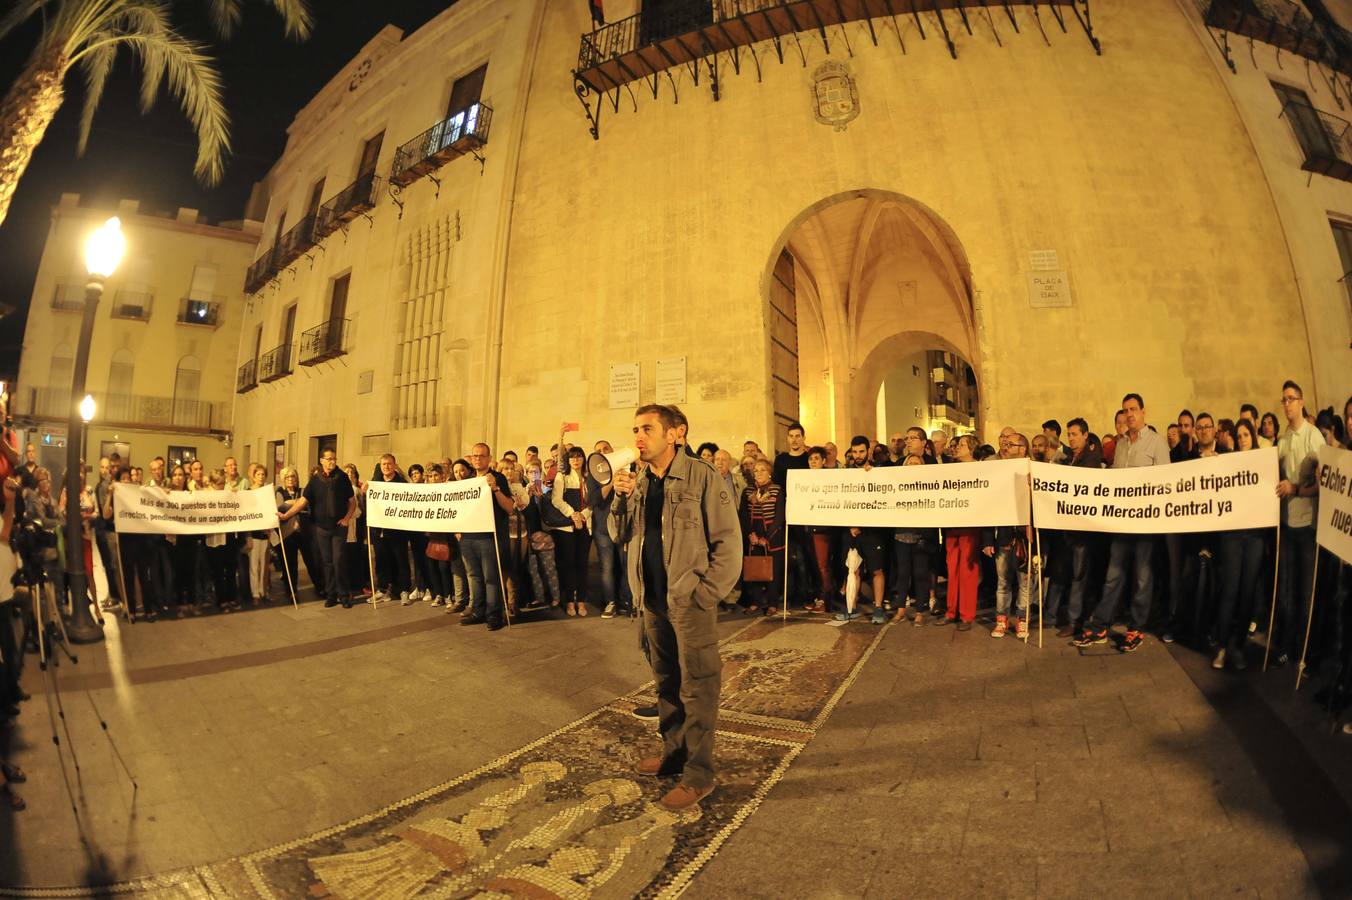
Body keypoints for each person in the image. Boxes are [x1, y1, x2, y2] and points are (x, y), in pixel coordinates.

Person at [610, 404, 741, 812]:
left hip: (689, 603)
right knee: (666, 682)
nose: (638, 437)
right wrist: (619, 499)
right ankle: (674, 754)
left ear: (676, 434)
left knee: (698, 686)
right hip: (653, 600)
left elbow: (729, 545)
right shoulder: (641, 482)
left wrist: (704, 596)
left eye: (647, 428)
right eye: (635, 429)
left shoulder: (703, 477)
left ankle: (699, 774)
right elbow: (618, 534)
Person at [1075, 393, 1170, 653]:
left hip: (1145, 525)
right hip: (1121, 525)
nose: (1129, 415)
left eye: (1133, 409)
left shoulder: (1157, 442)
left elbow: (1166, 482)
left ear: (1143, 412)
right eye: (1125, 410)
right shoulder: (1122, 445)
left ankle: (1136, 628)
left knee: (1141, 578)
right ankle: (1100, 627)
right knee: (1113, 576)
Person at [1274, 380, 1322, 667]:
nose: (1287, 404)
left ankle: (1306, 650)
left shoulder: (1313, 436)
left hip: (1307, 524)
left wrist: (1295, 489)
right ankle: (1289, 644)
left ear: (1301, 402)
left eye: (1291, 399)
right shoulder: (1283, 439)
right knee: (1287, 589)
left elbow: (1322, 485)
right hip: (1287, 522)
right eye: (1283, 400)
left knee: (1306, 592)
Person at [1213, 418, 1264, 671]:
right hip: (1232, 536)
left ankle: (1239, 647)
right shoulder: (1228, 462)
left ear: (1252, 437)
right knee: (1230, 591)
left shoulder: (1262, 463)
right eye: (1239, 435)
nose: (1243, 438)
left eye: (1247, 434)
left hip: (1254, 536)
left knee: (1247, 592)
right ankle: (1222, 646)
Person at [1045, 419, 1103, 636]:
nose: (1071, 438)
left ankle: (1074, 620)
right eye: (1069, 434)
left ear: (1085, 435)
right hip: (1067, 529)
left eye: (1075, 434)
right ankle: (1051, 616)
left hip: (1081, 530)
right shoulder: (1070, 459)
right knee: (1061, 573)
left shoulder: (1091, 459)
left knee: (1078, 576)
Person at [459, 443, 515, 631]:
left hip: (489, 537)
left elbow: (509, 507)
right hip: (468, 536)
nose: (477, 459)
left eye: (482, 456)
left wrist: (496, 488)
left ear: (489, 458)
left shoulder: (498, 478)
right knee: (474, 575)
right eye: (474, 456)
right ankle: (477, 611)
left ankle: (494, 614)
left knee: (491, 577)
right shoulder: (465, 480)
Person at [984, 432, 1031, 639]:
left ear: (1022, 448)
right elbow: (988, 504)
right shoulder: (998, 472)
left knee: (1025, 582)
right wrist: (987, 539)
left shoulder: (1034, 470)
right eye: (1005, 443)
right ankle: (1001, 620)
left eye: (1011, 444)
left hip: (1025, 537)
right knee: (1003, 582)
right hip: (1003, 536)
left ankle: (1022, 620)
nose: (1006, 446)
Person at [303, 450, 356, 608]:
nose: (332, 461)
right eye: (329, 459)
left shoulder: (342, 477)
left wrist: (346, 518)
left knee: (339, 560)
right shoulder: (315, 480)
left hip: (339, 527)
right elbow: (303, 500)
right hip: (322, 528)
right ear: (322, 461)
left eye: (334, 458)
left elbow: (352, 502)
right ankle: (331, 594)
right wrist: (286, 515)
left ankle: (344, 595)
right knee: (327, 562)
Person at [939, 434, 982, 631]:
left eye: (962, 445)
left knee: (967, 570)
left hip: (970, 525)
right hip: (952, 524)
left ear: (971, 448)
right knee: (952, 567)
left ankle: (966, 614)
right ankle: (951, 610)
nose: (958, 448)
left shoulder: (979, 469)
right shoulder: (951, 468)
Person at [894, 452, 938, 626]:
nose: (913, 466)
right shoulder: (897, 485)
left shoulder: (929, 485)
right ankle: (900, 610)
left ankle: (920, 611)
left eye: (917, 463)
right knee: (903, 574)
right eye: (910, 463)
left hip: (922, 536)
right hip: (901, 534)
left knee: (920, 574)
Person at [739, 459, 785, 616]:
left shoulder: (777, 490)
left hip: (773, 536)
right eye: (756, 470)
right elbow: (743, 515)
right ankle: (755, 601)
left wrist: (766, 537)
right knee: (754, 567)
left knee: (774, 570)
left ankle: (773, 604)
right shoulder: (747, 491)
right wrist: (750, 534)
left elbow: (779, 517)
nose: (758, 473)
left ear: (769, 472)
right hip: (753, 533)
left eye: (762, 470)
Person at [552, 444, 594, 617]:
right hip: (566, 527)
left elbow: (594, 501)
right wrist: (573, 514)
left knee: (582, 565)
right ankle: (570, 601)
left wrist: (583, 515)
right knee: (568, 564)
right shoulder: (562, 476)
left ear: (584, 459)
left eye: (579, 456)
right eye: (572, 457)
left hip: (586, 526)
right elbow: (556, 499)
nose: (575, 460)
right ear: (568, 460)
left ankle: (581, 601)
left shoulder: (590, 478)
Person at [275, 466, 315, 604]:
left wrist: (290, 503)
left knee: (311, 561)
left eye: (293, 477)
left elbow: (309, 507)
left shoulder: (303, 490)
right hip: (288, 533)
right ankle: (291, 591)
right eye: (287, 477)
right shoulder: (279, 492)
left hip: (303, 532)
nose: (291, 479)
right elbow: (280, 507)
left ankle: (320, 586)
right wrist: (298, 504)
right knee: (290, 564)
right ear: (283, 480)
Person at [245, 463, 272, 604]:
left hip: (265, 533)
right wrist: (248, 535)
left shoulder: (267, 492)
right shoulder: (249, 492)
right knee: (254, 565)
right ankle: (255, 593)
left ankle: (263, 591)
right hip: (253, 534)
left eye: (263, 474)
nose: (261, 477)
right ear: (254, 477)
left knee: (264, 565)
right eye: (258, 474)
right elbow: (246, 514)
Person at [771, 422, 809, 487]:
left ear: (803, 438)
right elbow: (776, 483)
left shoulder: (809, 458)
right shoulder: (780, 459)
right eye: (791, 436)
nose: (794, 440)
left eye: (797, 436)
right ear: (788, 438)